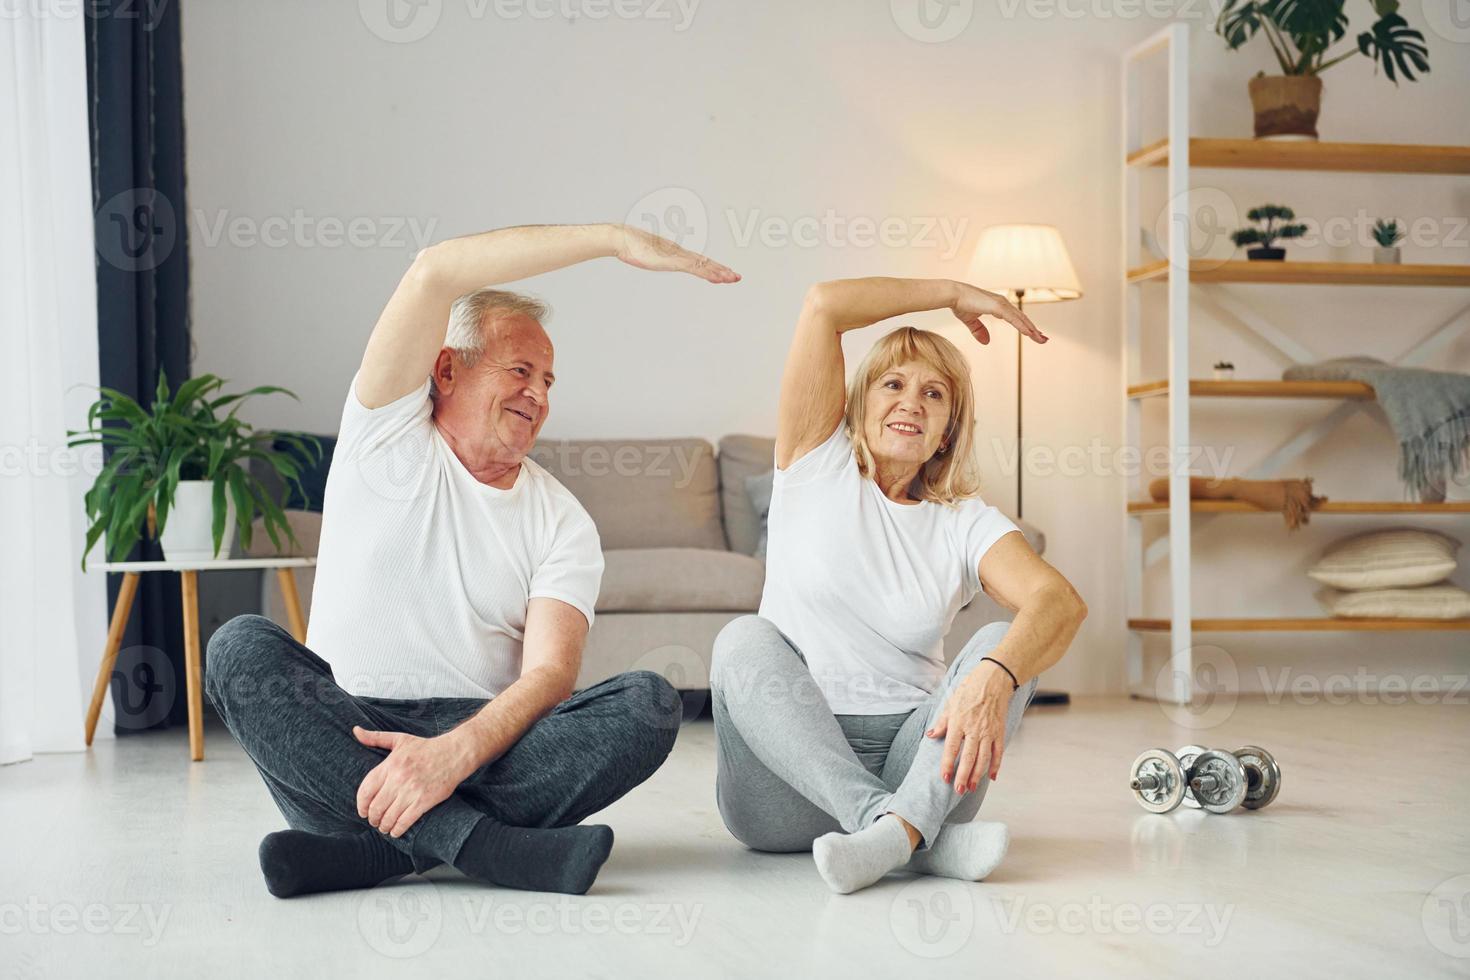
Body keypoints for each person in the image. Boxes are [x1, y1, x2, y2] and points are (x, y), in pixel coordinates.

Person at [205, 223, 740, 898]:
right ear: (448, 369)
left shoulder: (563, 520)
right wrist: (611, 240)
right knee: (238, 649)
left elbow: (550, 674)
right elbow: (434, 269)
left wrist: (451, 755)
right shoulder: (385, 432)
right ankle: (484, 846)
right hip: (345, 742)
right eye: (519, 371)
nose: (539, 395)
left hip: (479, 748)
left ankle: (375, 856)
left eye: (548, 380)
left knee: (650, 703)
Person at [711, 277, 1087, 894]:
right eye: (893, 384)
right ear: (858, 405)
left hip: (921, 767)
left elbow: (1060, 604)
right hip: (783, 787)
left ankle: (894, 833)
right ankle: (905, 836)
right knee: (741, 640)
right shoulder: (814, 460)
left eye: (933, 393)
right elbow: (824, 304)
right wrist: (953, 294)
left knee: (1003, 638)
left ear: (947, 430)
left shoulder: (964, 520)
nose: (911, 402)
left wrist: (997, 676)